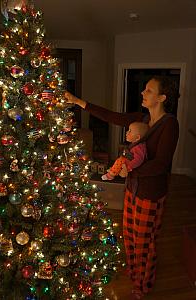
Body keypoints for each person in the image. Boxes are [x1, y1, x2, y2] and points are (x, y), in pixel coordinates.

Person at [64, 75, 179, 300]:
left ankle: (142, 284)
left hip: (151, 193)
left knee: (145, 239)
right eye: (144, 89)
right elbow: (113, 117)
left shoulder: (170, 124)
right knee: (129, 234)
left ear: (162, 98)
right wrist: (79, 102)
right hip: (133, 188)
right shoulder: (142, 119)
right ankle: (135, 270)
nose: (142, 93)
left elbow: (162, 163)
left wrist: (133, 171)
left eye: (149, 91)